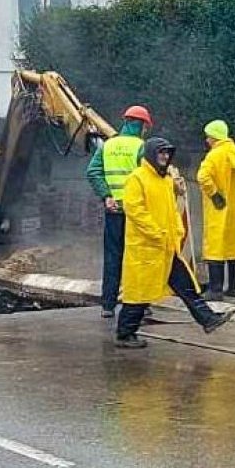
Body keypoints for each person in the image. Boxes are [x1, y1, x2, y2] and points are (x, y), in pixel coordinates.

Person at [116, 137, 235, 348]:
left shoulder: (166, 180)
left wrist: (176, 232)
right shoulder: (137, 178)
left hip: (166, 247)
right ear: (151, 154)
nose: (164, 157)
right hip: (146, 250)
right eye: (161, 152)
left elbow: (171, 210)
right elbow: (135, 211)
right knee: (139, 294)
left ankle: (208, 319)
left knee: (186, 286)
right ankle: (125, 334)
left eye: (167, 153)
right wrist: (157, 233)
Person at [86, 105, 152, 318]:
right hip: (136, 214)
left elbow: (93, 172)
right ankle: (139, 303)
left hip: (113, 212)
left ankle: (107, 305)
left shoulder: (107, 146)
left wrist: (106, 196)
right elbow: (150, 179)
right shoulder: (142, 147)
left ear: (125, 122)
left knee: (113, 257)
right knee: (138, 258)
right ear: (141, 126)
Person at [196, 120, 235, 301]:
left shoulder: (214, 155)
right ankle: (233, 288)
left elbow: (202, 177)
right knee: (234, 246)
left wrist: (214, 194)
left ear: (213, 137)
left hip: (218, 208)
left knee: (215, 246)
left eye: (208, 136)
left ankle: (215, 290)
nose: (206, 140)